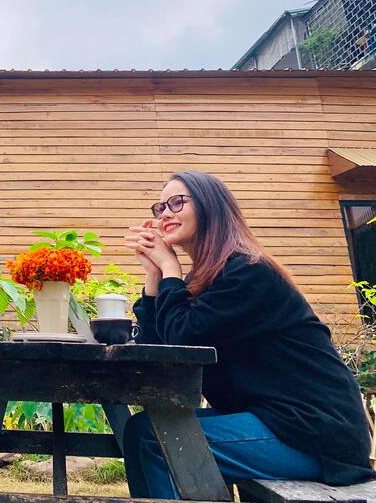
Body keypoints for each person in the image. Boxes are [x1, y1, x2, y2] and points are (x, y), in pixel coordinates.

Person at [122, 170, 374, 499]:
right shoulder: (207, 280)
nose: (165, 213)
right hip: (273, 421)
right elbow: (161, 352)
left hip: (314, 434)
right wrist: (154, 276)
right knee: (139, 430)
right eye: (160, 207)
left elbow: (184, 338)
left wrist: (170, 269)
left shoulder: (248, 272)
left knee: (156, 439)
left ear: (211, 206)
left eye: (177, 202)